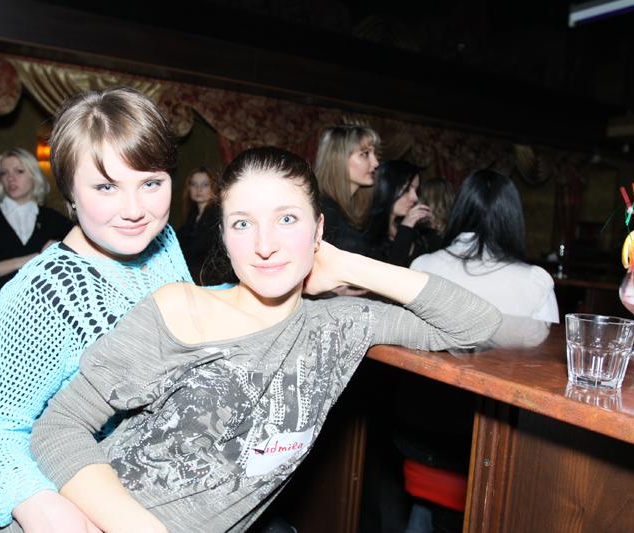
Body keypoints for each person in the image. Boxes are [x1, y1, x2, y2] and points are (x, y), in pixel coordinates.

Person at [30, 147, 502, 533]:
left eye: (287, 219)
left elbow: (474, 323)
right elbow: (58, 428)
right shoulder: (181, 309)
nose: (264, 244)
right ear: (223, 235)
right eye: (242, 223)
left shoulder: (341, 326)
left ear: (319, 228)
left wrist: (348, 264)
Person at [0, 87, 192, 532]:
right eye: (106, 187)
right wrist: (40, 505)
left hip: (165, 491)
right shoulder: (47, 292)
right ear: (70, 193)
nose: (135, 210)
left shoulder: (163, 241)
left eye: (151, 183)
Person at [411, 169, 558, 323]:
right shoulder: (535, 282)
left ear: (459, 210)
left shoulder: (423, 266)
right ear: (513, 218)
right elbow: (550, 336)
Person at [0, 148, 72, 325]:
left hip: (40, 317)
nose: (10, 178)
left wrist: (59, 250)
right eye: (4, 173)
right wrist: (28, 260)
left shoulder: (54, 219)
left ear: (34, 176)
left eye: (19, 171)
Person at [314, 124, 380, 257]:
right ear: (338, 160)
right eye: (365, 154)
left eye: (374, 154)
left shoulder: (351, 209)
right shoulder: (325, 212)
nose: (376, 163)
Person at [365, 159, 440, 267]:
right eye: (407, 189)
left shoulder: (422, 234)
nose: (415, 197)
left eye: (416, 190)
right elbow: (392, 271)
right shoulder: (367, 237)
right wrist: (406, 228)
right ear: (387, 188)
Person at [177, 166, 219, 284]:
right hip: (190, 281)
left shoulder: (218, 218)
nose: (199, 189)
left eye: (205, 185)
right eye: (194, 184)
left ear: (213, 188)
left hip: (210, 282)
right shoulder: (190, 219)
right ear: (189, 188)